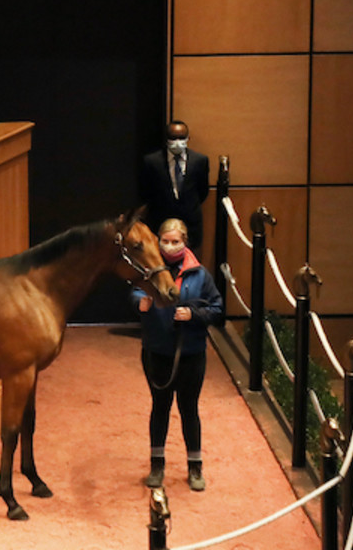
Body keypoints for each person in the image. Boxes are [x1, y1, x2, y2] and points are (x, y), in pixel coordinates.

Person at [132, 218, 224, 491]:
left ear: (186, 243)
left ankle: (195, 467)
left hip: (191, 352)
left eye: (176, 242)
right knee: (160, 407)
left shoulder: (200, 275)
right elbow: (135, 292)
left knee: (189, 409)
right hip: (157, 350)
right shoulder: (149, 268)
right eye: (166, 241)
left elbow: (218, 310)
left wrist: (194, 314)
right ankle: (156, 465)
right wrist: (141, 303)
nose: (170, 246)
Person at [140, 119, 210, 252]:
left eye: (181, 137)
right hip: (160, 223)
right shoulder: (152, 162)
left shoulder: (200, 161)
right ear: (166, 139)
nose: (177, 142)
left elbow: (202, 192)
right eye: (173, 138)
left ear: (188, 138)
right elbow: (145, 192)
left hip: (190, 224)